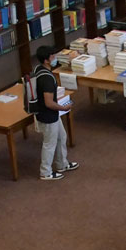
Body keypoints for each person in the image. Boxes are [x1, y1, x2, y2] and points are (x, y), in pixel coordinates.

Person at [32, 47, 76, 181]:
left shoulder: (38, 70)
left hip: (49, 114)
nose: (55, 58)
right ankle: (45, 172)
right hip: (48, 115)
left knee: (61, 136)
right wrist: (64, 108)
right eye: (52, 56)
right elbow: (49, 102)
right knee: (49, 144)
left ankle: (62, 163)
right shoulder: (47, 79)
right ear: (46, 60)